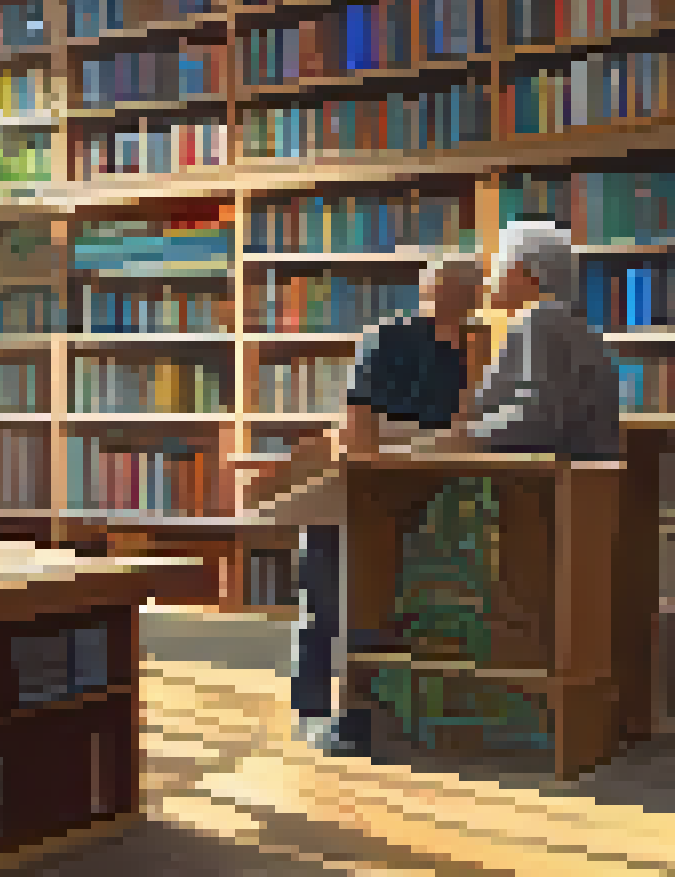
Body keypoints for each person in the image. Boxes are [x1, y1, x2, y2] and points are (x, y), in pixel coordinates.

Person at [245, 254, 484, 757]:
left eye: (466, 289)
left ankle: (376, 712)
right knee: (327, 595)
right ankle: (311, 710)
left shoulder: (475, 349)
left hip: (426, 487)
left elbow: (466, 425)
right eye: (443, 287)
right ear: (428, 291)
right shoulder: (389, 337)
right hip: (361, 481)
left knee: (385, 601)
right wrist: (383, 468)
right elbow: (357, 422)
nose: (455, 298)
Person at [438, 220, 623, 459]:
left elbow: (536, 418)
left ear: (527, 272)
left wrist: (468, 435)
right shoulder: (554, 321)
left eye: (500, 263)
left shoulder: (542, 320)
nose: (492, 274)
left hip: (559, 480)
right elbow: (491, 402)